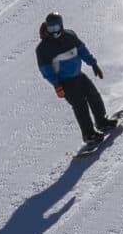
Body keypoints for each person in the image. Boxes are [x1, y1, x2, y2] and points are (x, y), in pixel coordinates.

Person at [35, 11, 117, 147]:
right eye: (51, 28)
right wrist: (57, 86)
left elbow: (82, 50)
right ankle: (89, 134)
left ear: (61, 26)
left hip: (79, 76)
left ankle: (102, 122)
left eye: (56, 27)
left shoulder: (70, 36)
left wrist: (93, 64)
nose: (53, 31)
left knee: (94, 96)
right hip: (65, 83)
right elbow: (46, 71)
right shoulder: (43, 48)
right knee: (80, 106)